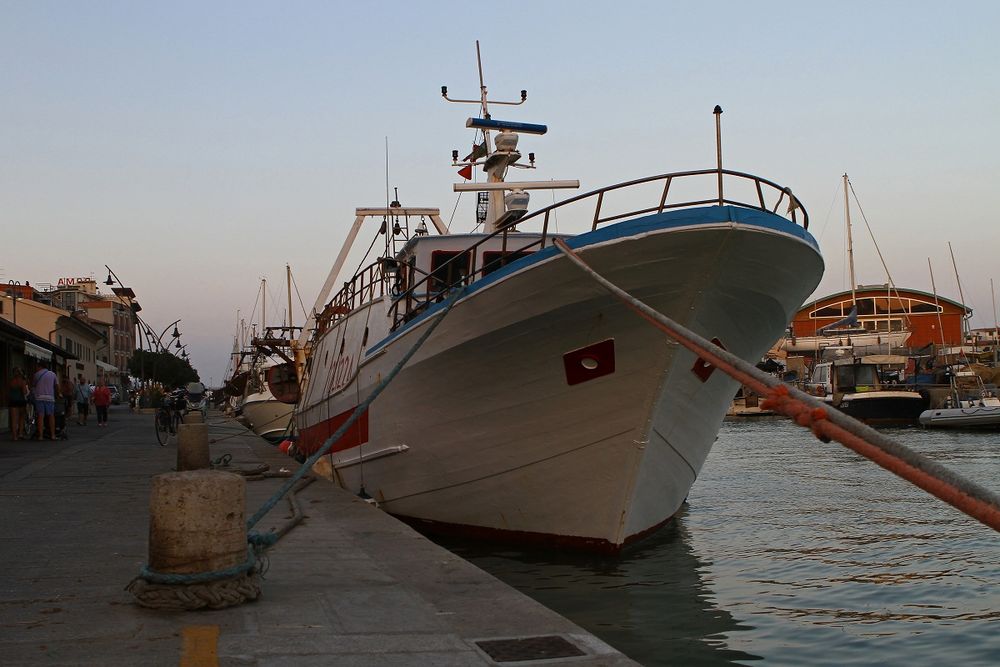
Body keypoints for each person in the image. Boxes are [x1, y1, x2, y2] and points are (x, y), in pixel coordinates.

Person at [31, 360, 58, 441]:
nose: (36, 368)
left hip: (39, 398)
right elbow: (56, 386)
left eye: (37, 367)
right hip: (50, 398)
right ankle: (53, 435)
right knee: (51, 416)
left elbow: (33, 385)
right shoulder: (53, 374)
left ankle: (40, 436)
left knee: (40, 416)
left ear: (40, 366)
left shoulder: (36, 375)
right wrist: (57, 394)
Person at [8, 367, 28, 440]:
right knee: (21, 417)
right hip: (21, 401)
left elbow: (8, 390)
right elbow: (24, 392)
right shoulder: (22, 381)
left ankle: (14, 436)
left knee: (14, 419)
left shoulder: (11, 380)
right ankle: (20, 434)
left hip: (12, 401)